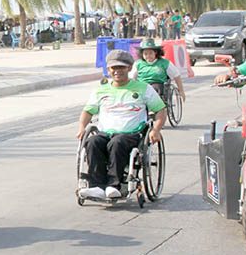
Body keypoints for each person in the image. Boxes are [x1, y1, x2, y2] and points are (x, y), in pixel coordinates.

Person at [76, 49, 165, 199]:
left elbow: (160, 110)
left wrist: (156, 129)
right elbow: (88, 111)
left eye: (121, 67)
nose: (117, 71)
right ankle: (97, 186)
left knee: (117, 143)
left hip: (131, 134)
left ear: (129, 68)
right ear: (108, 69)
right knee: (92, 142)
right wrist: (81, 128)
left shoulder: (143, 88)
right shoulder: (100, 90)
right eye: (114, 68)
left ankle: (113, 185)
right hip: (105, 133)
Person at [133, 38, 186, 106]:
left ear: (155, 52)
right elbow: (132, 78)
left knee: (154, 89)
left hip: (158, 86)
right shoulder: (138, 64)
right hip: (142, 86)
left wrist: (181, 91)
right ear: (142, 54)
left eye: (150, 53)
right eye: (145, 54)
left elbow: (176, 76)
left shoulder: (164, 63)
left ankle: (154, 106)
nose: (148, 56)